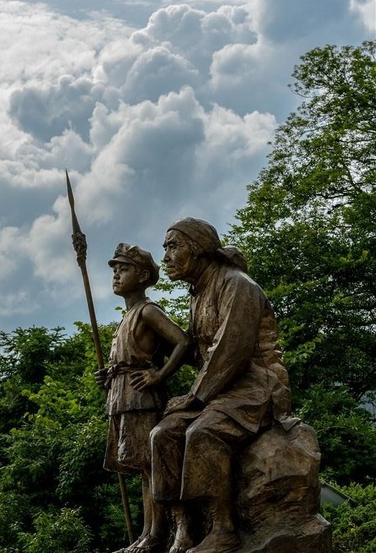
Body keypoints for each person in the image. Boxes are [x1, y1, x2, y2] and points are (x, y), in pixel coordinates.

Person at [150, 218, 292, 553]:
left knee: (203, 433)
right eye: (164, 248)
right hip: (222, 391)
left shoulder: (237, 284)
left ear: (197, 249)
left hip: (257, 386)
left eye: (173, 246)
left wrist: (194, 397)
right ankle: (184, 529)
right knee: (163, 435)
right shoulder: (198, 293)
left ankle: (223, 529)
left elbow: (232, 350)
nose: (166, 256)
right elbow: (198, 351)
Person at [95, 243, 191, 553]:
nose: (116, 275)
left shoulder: (148, 311)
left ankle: (160, 534)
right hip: (123, 397)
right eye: (114, 269)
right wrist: (109, 377)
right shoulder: (126, 317)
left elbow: (182, 342)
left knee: (154, 468)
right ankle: (149, 532)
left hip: (143, 398)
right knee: (142, 469)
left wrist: (159, 375)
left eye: (123, 269)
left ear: (143, 275)